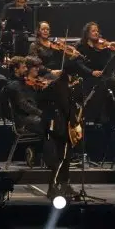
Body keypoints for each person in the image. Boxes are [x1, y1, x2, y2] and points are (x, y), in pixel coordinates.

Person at [40, 65, 81, 198]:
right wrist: (75, 123)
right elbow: (65, 107)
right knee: (61, 157)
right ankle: (52, 186)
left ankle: (64, 184)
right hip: (60, 126)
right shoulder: (61, 86)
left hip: (58, 124)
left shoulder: (59, 85)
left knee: (66, 156)